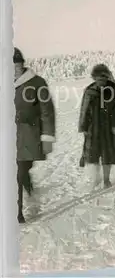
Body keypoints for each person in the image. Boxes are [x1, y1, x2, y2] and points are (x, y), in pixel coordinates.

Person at [13, 47, 56, 223]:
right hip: (9, 135)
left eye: (17, 63)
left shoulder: (37, 83)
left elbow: (47, 111)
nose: (14, 68)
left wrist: (47, 137)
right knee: (14, 173)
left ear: (22, 63)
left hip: (29, 136)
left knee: (20, 171)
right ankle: (18, 209)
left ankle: (24, 199)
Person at [78, 64, 115, 189]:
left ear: (107, 77)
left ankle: (106, 179)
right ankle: (96, 178)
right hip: (93, 128)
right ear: (94, 78)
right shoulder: (89, 90)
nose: (101, 80)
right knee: (93, 156)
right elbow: (84, 109)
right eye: (98, 78)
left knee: (107, 156)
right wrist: (83, 126)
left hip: (109, 128)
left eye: (103, 77)